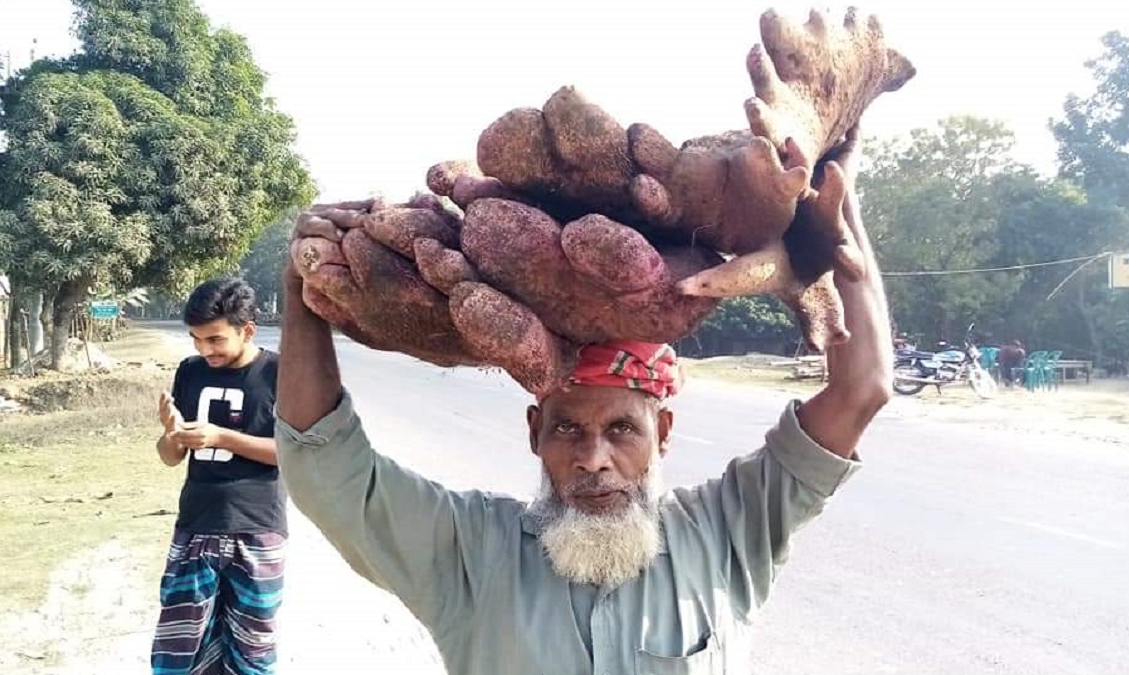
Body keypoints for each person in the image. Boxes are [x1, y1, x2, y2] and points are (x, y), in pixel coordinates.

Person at [275, 140, 892, 673]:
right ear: (534, 432)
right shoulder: (470, 552)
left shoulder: (731, 531)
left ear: (663, 431)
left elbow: (862, 388)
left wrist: (837, 218)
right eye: (567, 428)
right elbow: (322, 465)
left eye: (623, 429)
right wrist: (302, 282)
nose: (593, 458)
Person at [151, 278, 286, 675]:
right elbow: (170, 457)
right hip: (196, 523)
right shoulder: (190, 371)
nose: (204, 350)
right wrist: (172, 434)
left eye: (214, 339)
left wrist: (222, 437)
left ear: (247, 331)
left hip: (257, 528)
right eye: (196, 339)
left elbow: (296, 455)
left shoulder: (280, 373)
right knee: (179, 648)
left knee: (252, 649)